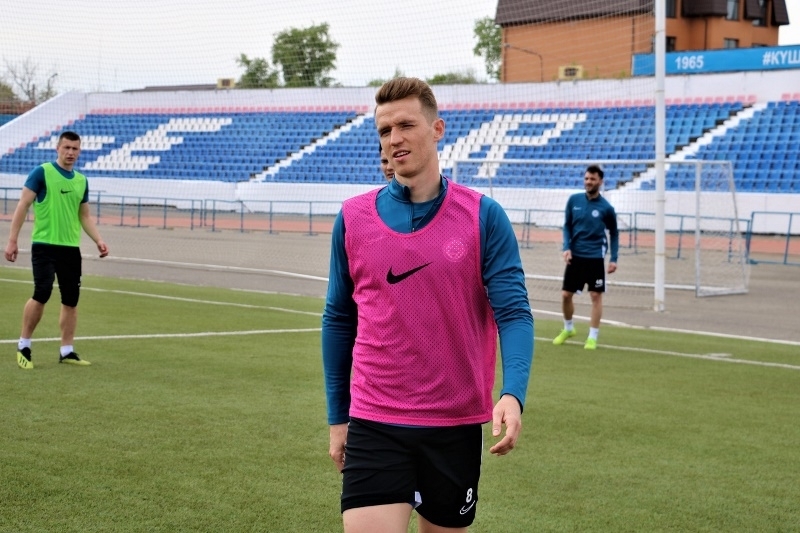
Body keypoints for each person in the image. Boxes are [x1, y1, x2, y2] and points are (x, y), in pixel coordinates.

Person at [322, 77, 534, 533]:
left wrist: (513, 393)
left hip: (454, 423)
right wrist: (338, 417)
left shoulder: (483, 216)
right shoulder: (353, 218)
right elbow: (338, 319)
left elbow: (514, 313)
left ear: (437, 129)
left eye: (405, 125)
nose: (394, 138)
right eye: (384, 130)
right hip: (375, 418)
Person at [5, 130, 109, 370]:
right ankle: (24, 345)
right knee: (41, 292)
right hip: (44, 246)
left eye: (75, 148)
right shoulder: (42, 172)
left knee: (71, 300)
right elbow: (23, 205)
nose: (70, 152)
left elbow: (84, 215)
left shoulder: (81, 180)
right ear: (58, 148)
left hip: (70, 249)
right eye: (66, 148)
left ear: (79, 151)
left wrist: (98, 240)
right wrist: (12, 240)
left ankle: (67, 350)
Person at [552, 164, 618, 350]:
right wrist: (566, 247)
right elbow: (567, 226)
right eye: (586, 178)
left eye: (592, 179)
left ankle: (592, 337)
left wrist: (614, 258)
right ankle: (568, 328)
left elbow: (614, 233)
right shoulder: (574, 200)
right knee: (566, 295)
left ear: (600, 181)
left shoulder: (606, 208)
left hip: (595, 257)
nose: (588, 182)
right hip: (575, 256)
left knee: (595, 296)